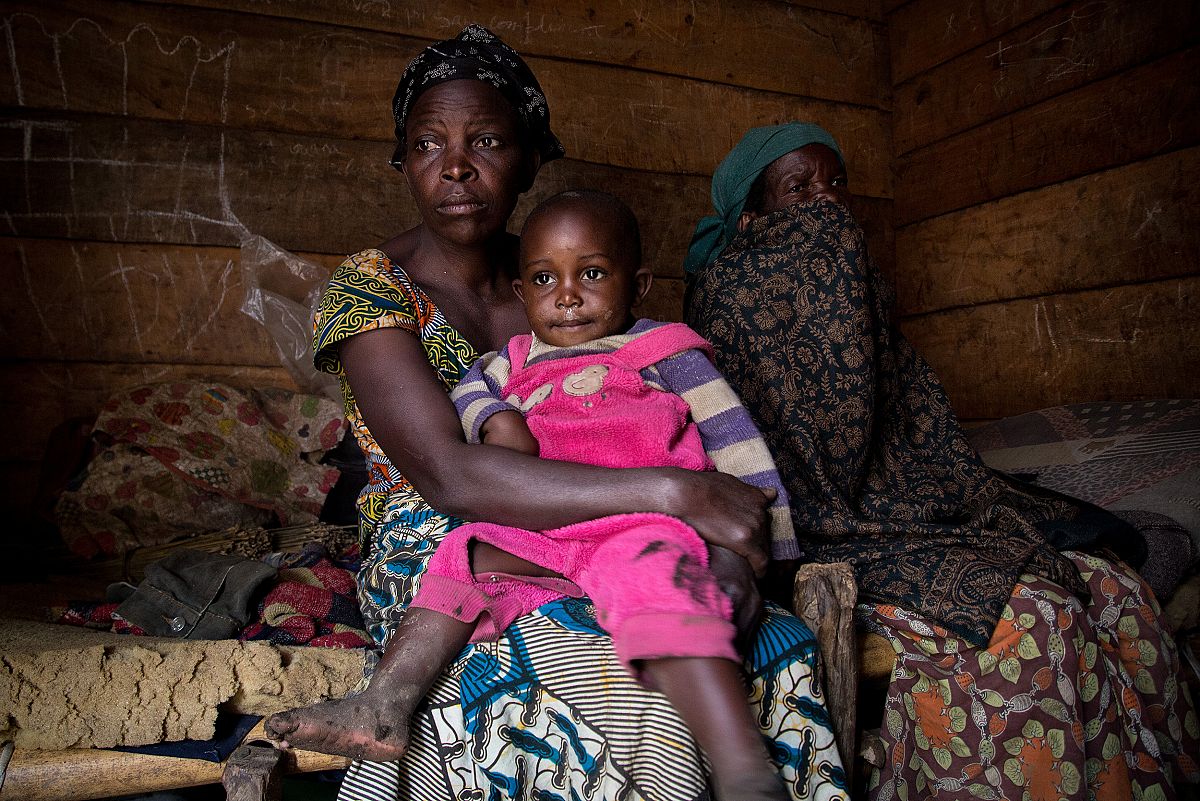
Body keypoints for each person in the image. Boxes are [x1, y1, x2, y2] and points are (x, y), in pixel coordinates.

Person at [265, 30, 848, 801]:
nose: (457, 165)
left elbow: (659, 396)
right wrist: (672, 493)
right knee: (548, 655)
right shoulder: (370, 288)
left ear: (532, 158)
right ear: (403, 162)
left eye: (488, 140)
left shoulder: (561, 268)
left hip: (602, 508)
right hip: (442, 531)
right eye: (428, 144)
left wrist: (735, 546)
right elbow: (448, 476)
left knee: (717, 615)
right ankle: (391, 705)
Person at [683, 121, 1200, 800]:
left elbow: (913, 433)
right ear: (750, 217)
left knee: (1118, 590)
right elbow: (810, 467)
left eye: (837, 183)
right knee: (1038, 621)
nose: (828, 203)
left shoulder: (858, 294)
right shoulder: (729, 299)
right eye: (800, 187)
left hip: (910, 513)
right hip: (827, 534)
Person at [348, 188, 800, 801]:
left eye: (590, 274)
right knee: (462, 555)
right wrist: (493, 420)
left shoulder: (667, 353)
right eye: (543, 279)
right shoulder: (511, 361)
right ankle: (385, 701)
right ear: (522, 294)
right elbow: (469, 390)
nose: (566, 296)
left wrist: (765, 551)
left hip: (643, 527)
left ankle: (739, 758)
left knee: (657, 588)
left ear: (637, 285)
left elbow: (738, 447)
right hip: (550, 527)